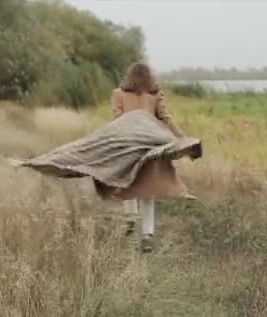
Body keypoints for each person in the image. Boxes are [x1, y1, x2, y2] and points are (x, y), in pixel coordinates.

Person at [12, 62, 202, 253]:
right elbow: (166, 118)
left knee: (126, 179)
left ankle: (130, 219)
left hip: (126, 146)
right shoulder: (155, 95)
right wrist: (182, 139)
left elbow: (118, 120)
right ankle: (147, 235)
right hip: (150, 148)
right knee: (147, 189)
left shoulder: (119, 93)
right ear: (149, 77)